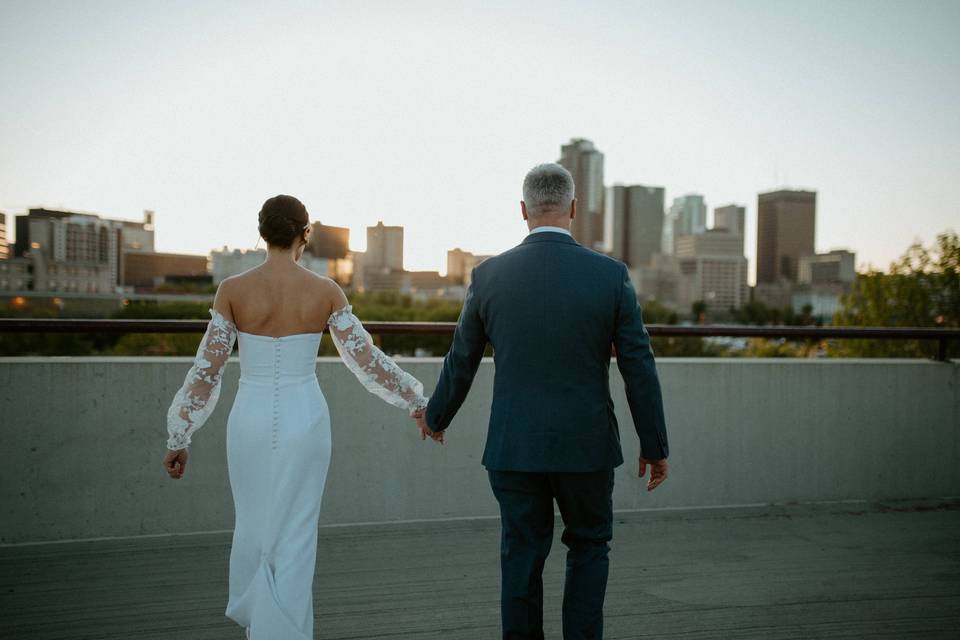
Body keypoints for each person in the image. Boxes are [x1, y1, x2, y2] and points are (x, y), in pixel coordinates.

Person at [161, 194, 439, 640]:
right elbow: (366, 359)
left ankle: (261, 627)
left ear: (262, 232)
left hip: (248, 420)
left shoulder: (231, 290)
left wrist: (180, 434)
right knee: (296, 533)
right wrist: (417, 402)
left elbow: (206, 371)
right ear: (304, 234)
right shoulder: (326, 291)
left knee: (252, 522)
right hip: (305, 421)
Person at [415, 163, 670, 640]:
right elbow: (639, 366)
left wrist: (435, 415)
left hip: (515, 446)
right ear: (573, 208)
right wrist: (653, 444)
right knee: (590, 548)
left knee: (521, 556)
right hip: (587, 444)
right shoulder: (611, 276)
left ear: (523, 211)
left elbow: (462, 359)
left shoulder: (488, 276)